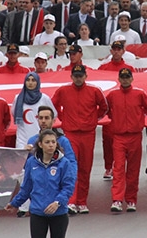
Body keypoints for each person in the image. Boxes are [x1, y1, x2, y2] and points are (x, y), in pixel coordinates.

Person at [51, 65, 108, 214]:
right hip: (71, 134)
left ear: (85, 76)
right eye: (75, 75)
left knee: (85, 167)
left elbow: (104, 107)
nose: (78, 78)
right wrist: (63, 119)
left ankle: (82, 202)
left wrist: (94, 120)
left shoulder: (94, 91)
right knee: (70, 167)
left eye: (80, 75)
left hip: (88, 134)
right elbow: (53, 105)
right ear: (71, 76)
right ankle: (71, 200)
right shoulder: (63, 91)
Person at [6, 129, 76, 238]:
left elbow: (68, 187)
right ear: (40, 144)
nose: (51, 145)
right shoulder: (31, 163)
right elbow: (26, 188)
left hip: (58, 212)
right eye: (47, 142)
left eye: (53, 142)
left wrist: (57, 202)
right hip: (38, 213)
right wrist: (15, 203)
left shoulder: (64, 163)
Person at [107, 68, 147, 212]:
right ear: (119, 79)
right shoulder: (112, 95)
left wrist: (138, 120)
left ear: (132, 78)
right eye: (123, 77)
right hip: (119, 137)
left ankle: (131, 200)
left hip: (134, 136)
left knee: (133, 169)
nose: (125, 79)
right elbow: (107, 110)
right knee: (118, 168)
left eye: (128, 77)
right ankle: (117, 200)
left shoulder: (139, 94)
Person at [13, 72, 56, 149]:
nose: (30, 83)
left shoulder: (44, 98)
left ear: (38, 82)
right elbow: (14, 113)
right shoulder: (18, 99)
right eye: (28, 80)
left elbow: (53, 115)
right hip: (22, 139)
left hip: (40, 139)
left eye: (33, 80)